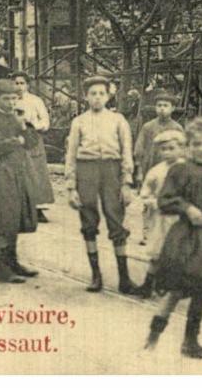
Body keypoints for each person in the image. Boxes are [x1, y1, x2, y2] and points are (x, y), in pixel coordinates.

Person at [144, 117, 202, 360]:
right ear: (188, 145)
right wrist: (187, 209)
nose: (201, 149)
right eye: (196, 144)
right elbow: (166, 200)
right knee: (175, 289)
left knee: (201, 290)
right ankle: (151, 341)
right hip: (186, 239)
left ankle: (191, 342)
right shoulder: (180, 170)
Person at [65, 75, 138, 293]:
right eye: (92, 94)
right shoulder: (78, 122)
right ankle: (96, 276)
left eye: (101, 94)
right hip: (86, 169)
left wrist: (126, 183)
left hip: (111, 170)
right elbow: (70, 155)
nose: (97, 98)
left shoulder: (118, 121)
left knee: (116, 218)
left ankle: (124, 279)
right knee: (88, 218)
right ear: (86, 97)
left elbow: (127, 152)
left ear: (108, 96)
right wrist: (71, 187)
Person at [0, 78, 39, 283]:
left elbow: (32, 143)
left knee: (16, 218)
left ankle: (13, 262)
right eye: (6, 99)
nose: (11, 103)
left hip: (19, 172)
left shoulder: (17, 117)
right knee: (3, 219)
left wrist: (26, 127)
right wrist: (17, 140)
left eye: (14, 98)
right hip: (2, 174)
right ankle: (3, 269)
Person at [135, 128, 186, 297]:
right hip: (160, 217)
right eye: (164, 149)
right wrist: (149, 200)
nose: (167, 152)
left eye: (172, 148)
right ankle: (148, 284)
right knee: (157, 250)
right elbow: (146, 190)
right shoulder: (157, 170)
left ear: (181, 148)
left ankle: (168, 283)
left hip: (179, 218)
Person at [12, 72, 54, 222]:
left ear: (27, 85)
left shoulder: (35, 101)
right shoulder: (9, 101)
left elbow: (45, 122)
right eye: (16, 83)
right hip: (15, 140)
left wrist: (34, 125)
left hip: (33, 139)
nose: (19, 86)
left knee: (36, 173)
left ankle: (38, 209)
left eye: (22, 83)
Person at [134, 92, 184, 186]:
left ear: (172, 108)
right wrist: (139, 172)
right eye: (159, 105)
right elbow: (139, 151)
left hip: (170, 169)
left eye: (166, 106)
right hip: (149, 167)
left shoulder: (177, 128)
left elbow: (182, 152)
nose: (162, 108)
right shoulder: (148, 127)